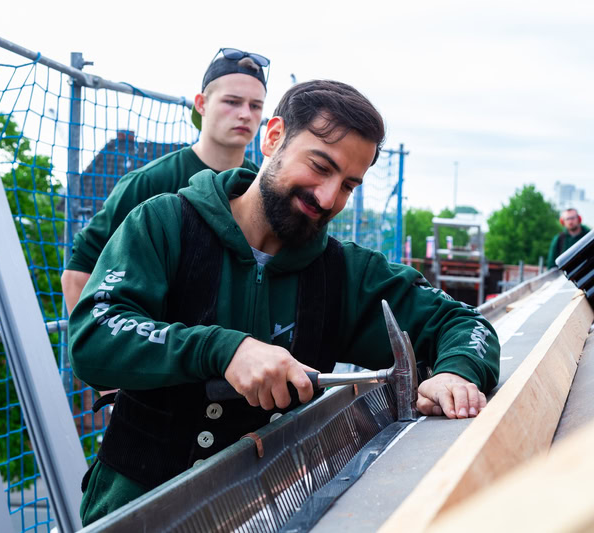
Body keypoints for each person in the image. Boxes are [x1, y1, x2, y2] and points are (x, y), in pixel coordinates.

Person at [69, 80, 501, 525]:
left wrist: (456, 371)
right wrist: (222, 349)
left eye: (349, 185)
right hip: (134, 510)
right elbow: (93, 336)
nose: (328, 197)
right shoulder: (163, 223)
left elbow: (463, 322)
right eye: (320, 166)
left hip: (272, 515)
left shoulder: (346, 273)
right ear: (274, 136)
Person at [61, 47, 269, 312]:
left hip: (238, 348)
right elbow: (79, 273)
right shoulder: (149, 182)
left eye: (256, 106)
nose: (245, 114)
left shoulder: (261, 187)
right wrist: (97, 349)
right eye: (232, 101)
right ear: (201, 104)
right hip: (160, 344)